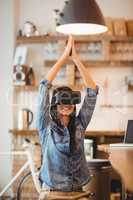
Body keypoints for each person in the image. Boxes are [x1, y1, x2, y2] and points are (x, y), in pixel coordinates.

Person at [36, 35, 98, 199]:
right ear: (54, 104)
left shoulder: (80, 123)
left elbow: (92, 91)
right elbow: (43, 87)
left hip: (78, 191)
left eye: (70, 100)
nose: (66, 104)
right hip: (52, 192)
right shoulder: (45, 125)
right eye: (62, 100)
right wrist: (64, 57)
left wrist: (76, 59)